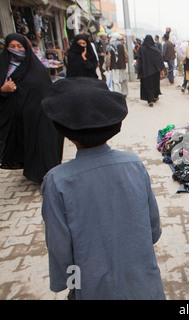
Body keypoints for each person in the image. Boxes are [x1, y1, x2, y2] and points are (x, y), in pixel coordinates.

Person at [40, 77, 165, 300]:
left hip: (93, 290)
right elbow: (153, 229)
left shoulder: (57, 181)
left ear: (65, 130)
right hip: (144, 286)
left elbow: (60, 250)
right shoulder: (133, 164)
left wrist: (73, 286)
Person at [0, 33, 64, 184]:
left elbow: (44, 90)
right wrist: (3, 89)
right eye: (12, 46)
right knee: (25, 144)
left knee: (41, 142)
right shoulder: (3, 66)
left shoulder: (36, 68)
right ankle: (31, 170)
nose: (16, 49)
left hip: (37, 114)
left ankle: (45, 175)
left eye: (20, 46)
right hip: (15, 117)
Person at [136, 35, 165, 106]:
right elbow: (160, 59)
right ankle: (155, 97)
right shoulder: (155, 49)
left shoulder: (142, 49)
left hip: (146, 71)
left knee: (148, 86)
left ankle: (150, 100)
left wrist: (139, 70)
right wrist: (161, 69)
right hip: (155, 71)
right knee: (155, 85)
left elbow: (138, 58)